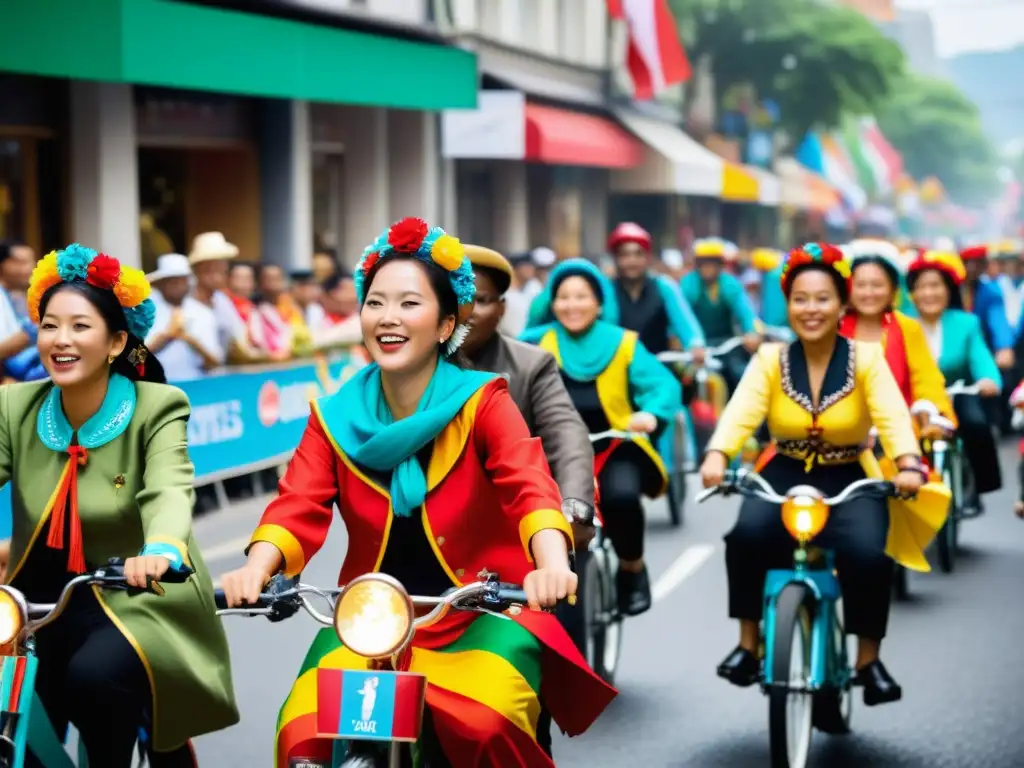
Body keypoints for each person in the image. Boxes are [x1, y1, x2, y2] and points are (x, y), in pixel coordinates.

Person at [219, 218, 615, 768]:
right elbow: (297, 501)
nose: (388, 318)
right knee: (301, 734)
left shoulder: (484, 401)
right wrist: (256, 569)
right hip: (370, 624)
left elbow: (530, 486)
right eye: (375, 303)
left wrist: (551, 562)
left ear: (447, 321)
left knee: (486, 728)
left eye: (409, 304)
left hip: (482, 614)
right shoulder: (331, 416)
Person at [0, 244, 237, 766]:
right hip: (34, 603)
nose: (60, 341)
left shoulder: (157, 405)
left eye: (80, 327)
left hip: (137, 595)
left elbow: (170, 489)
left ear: (116, 342)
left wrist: (163, 547)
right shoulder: (14, 405)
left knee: (94, 680)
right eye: (49, 325)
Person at [700, 242, 947, 707]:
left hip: (850, 473)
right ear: (787, 305)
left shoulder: (867, 359)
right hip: (782, 470)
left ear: (842, 304)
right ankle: (748, 645)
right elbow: (741, 412)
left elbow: (893, 417)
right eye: (800, 299)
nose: (810, 309)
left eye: (822, 299)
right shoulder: (770, 360)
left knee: (870, 556)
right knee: (745, 538)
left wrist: (909, 464)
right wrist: (717, 455)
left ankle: (867, 661)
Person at [520, 259, 682, 617]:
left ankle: (632, 569)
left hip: (613, 445)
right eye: (563, 297)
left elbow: (663, 385)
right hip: (554, 452)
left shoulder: (623, 343)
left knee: (622, 498)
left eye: (581, 296)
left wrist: (650, 414)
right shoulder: (534, 344)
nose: (572, 305)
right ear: (552, 302)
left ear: (598, 302)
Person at [907, 249, 1002, 510]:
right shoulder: (902, 325)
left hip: (958, 393)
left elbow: (981, 358)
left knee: (974, 422)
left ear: (949, 290)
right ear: (911, 293)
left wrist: (988, 380)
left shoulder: (966, 323)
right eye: (922, 287)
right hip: (915, 398)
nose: (929, 293)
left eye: (935, 286)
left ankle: (976, 487)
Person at [840, 248, 954, 421]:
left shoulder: (908, 328)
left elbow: (926, 379)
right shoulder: (835, 327)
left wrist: (930, 411)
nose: (869, 293)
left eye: (877, 285)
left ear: (893, 290)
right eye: (860, 285)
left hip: (899, 426)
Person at [680, 238, 761, 392]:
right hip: (695, 349)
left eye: (713, 263)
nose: (708, 268)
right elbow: (681, 315)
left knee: (742, 377)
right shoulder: (688, 284)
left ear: (720, 265)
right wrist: (684, 341)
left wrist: (751, 332)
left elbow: (746, 312)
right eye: (704, 263)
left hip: (726, 346)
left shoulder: (730, 284)